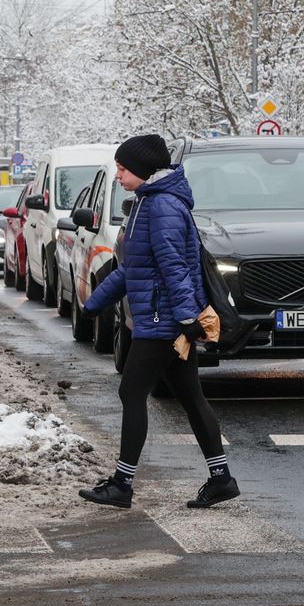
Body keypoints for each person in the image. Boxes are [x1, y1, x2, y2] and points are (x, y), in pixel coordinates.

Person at [79, 134, 237, 511]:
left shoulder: (162, 205)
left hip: (162, 320)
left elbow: (174, 268)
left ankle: (122, 484)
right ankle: (221, 479)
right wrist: (94, 303)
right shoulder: (147, 203)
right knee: (190, 396)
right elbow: (134, 268)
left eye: (122, 168)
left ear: (142, 169)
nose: (117, 176)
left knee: (132, 393)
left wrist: (185, 318)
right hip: (164, 318)